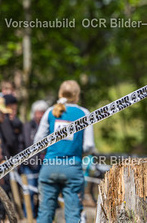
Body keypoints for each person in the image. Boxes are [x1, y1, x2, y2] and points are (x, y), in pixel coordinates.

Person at [35, 80, 95, 223]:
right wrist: (76, 151)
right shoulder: (84, 113)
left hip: (49, 166)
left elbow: (37, 141)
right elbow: (89, 145)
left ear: (60, 93)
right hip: (72, 167)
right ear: (77, 95)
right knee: (73, 215)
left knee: (44, 214)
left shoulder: (50, 112)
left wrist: (51, 150)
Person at [22, 100, 49, 218]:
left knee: (44, 191)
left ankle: (42, 216)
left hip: (45, 164)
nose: (40, 115)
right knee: (30, 191)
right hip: (30, 164)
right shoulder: (27, 127)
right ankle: (28, 216)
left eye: (43, 112)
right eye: (38, 113)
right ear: (34, 113)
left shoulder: (49, 126)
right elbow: (25, 143)